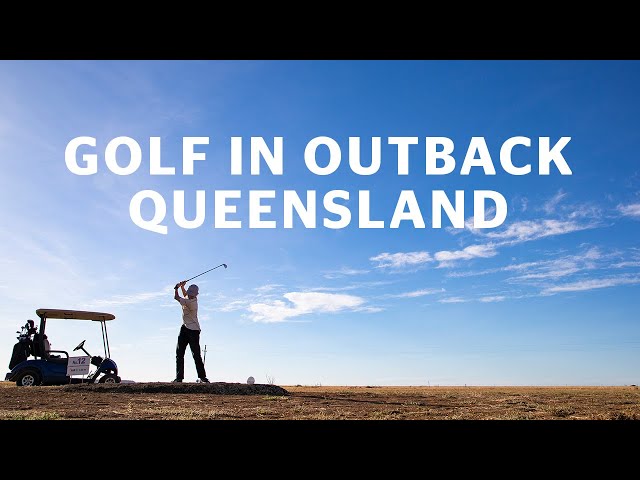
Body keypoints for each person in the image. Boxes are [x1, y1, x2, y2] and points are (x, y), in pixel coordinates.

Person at [173, 280, 209, 383]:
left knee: (196, 354)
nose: (191, 296)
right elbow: (185, 295)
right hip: (185, 328)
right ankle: (179, 378)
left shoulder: (190, 302)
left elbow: (177, 297)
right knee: (179, 353)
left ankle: (202, 377)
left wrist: (176, 288)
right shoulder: (190, 299)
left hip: (193, 330)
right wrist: (182, 287)